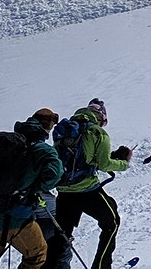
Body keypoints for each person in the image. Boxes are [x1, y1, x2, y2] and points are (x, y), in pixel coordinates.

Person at [46, 101, 129, 269]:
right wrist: (123, 163)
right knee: (111, 223)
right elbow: (104, 164)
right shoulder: (97, 132)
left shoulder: (65, 129)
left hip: (64, 191)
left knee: (61, 234)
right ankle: (101, 267)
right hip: (87, 190)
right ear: (101, 118)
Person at [0, 108, 64, 269]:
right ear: (48, 126)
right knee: (37, 254)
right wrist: (34, 188)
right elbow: (54, 175)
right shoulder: (42, 149)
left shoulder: (5, 144)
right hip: (17, 217)